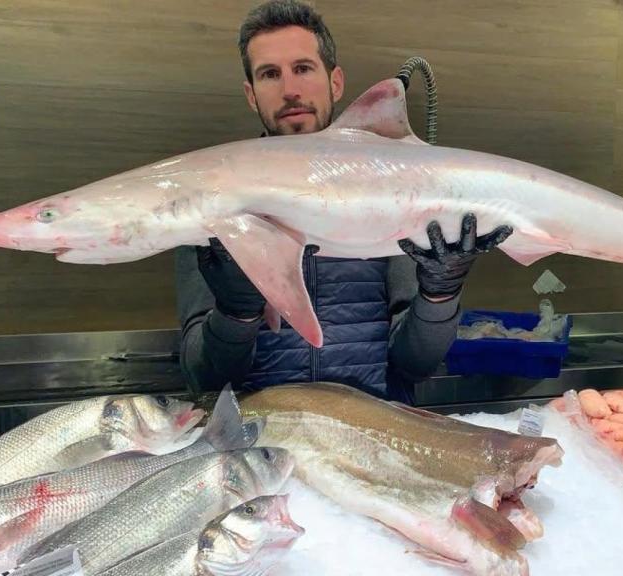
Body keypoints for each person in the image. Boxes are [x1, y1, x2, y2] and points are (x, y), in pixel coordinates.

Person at [176, 0, 511, 402]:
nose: (290, 90)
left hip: (373, 434)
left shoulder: (392, 190)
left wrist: (439, 294)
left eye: (303, 68)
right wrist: (236, 312)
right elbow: (203, 380)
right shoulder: (212, 201)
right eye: (270, 74)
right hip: (262, 443)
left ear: (335, 83)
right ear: (251, 94)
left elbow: (415, 366)